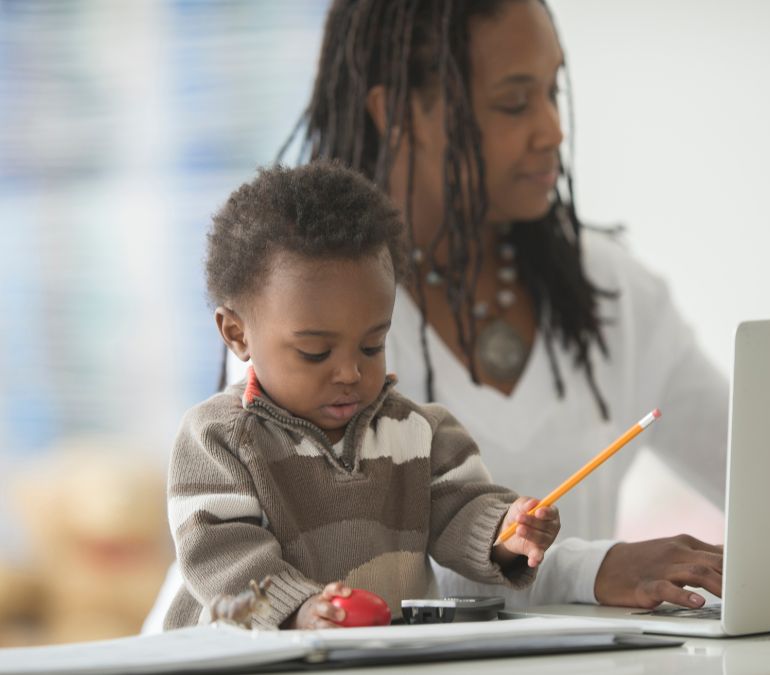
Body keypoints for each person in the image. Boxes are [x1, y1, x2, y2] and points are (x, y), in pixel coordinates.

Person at [144, 0, 727, 632]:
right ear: (397, 110)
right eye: (512, 102)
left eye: (551, 91)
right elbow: (414, 580)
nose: (553, 130)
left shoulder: (608, 295)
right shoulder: (295, 320)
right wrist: (592, 569)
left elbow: (457, 514)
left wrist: (507, 531)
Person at [163, 162, 560, 630]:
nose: (350, 371)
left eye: (372, 345)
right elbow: (222, 558)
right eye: (315, 352)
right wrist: (299, 609)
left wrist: (508, 531)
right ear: (236, 333)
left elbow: (463, 509)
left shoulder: (421, 434)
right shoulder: (218, 440)